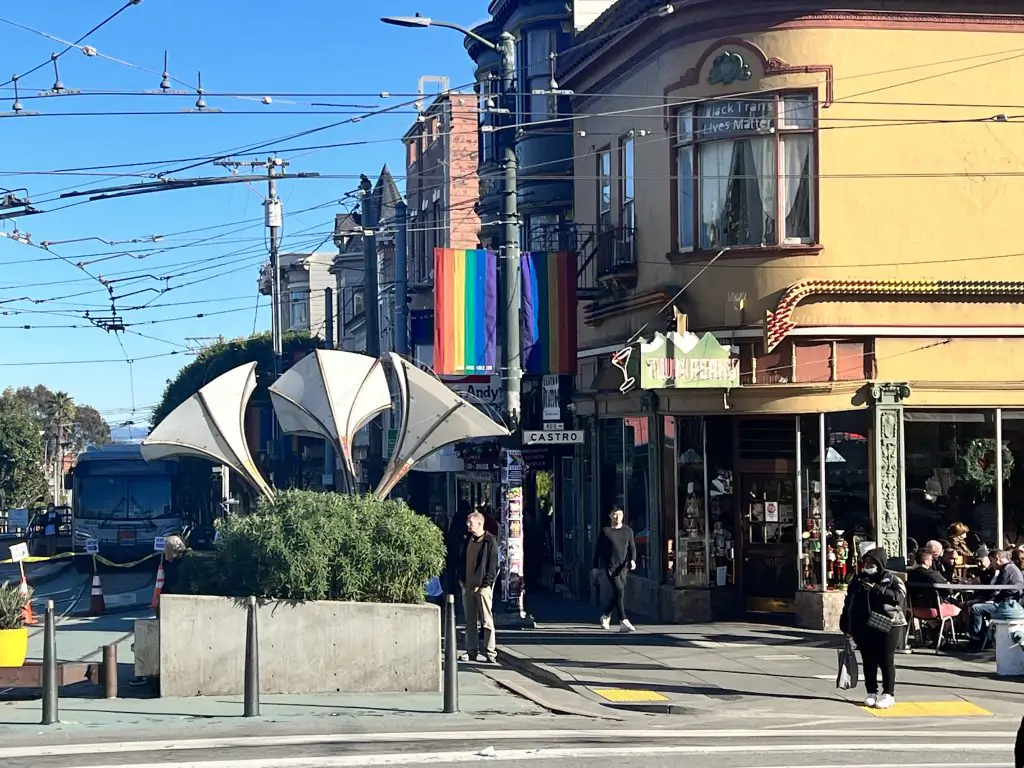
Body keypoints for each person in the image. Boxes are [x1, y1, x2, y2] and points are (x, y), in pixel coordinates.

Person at [839, 546, 907, 710]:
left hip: (887, 622)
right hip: (863, 623)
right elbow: (850, 602)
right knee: (868, 660)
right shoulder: (857, 579)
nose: (868, 565)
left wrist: (877, 589)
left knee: (885, 659)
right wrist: (846, 624)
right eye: (866, 561)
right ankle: (871, 692)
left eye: (872, 562)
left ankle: (888, 694)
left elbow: (899, 597)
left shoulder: (891, 578)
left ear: (880, 563)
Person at [457, 511, 499, 664]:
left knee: (487, 620)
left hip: (482, 588)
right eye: (468, 522)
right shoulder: (467, 539)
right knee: (470, 621)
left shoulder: (489, 541)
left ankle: (490, 652)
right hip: (467, 586)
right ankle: (471, 650)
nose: (468, 525)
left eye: (471, 523)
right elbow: (462, 560)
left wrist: (485, 584)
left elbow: (492, 566)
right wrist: (461, 580)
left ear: (480, 524)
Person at [967, 549, 1024, 648]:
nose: (992, 564)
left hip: (1007, 606)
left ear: (997, 558)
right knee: (978, 606)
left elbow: (996, 589)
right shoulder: (1010, 568)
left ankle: (977, 640)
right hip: (1010, 603)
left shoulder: (1007, 570)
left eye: (992, 561)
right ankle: (983, 637)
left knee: (976, 608)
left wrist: (985, 599)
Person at [592, 507, 637, 633]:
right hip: (610, 566)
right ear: (610, 516)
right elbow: (598, 550)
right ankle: (623, 620)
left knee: (618, 593)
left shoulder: (628, 531)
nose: (618, 517)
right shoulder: (606, 532)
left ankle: (605, 615)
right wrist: (595, 566)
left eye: (620, 514)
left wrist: (633, 560)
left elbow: (632, 547)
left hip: (623, 567)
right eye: (615, 515)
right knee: (620, 591)